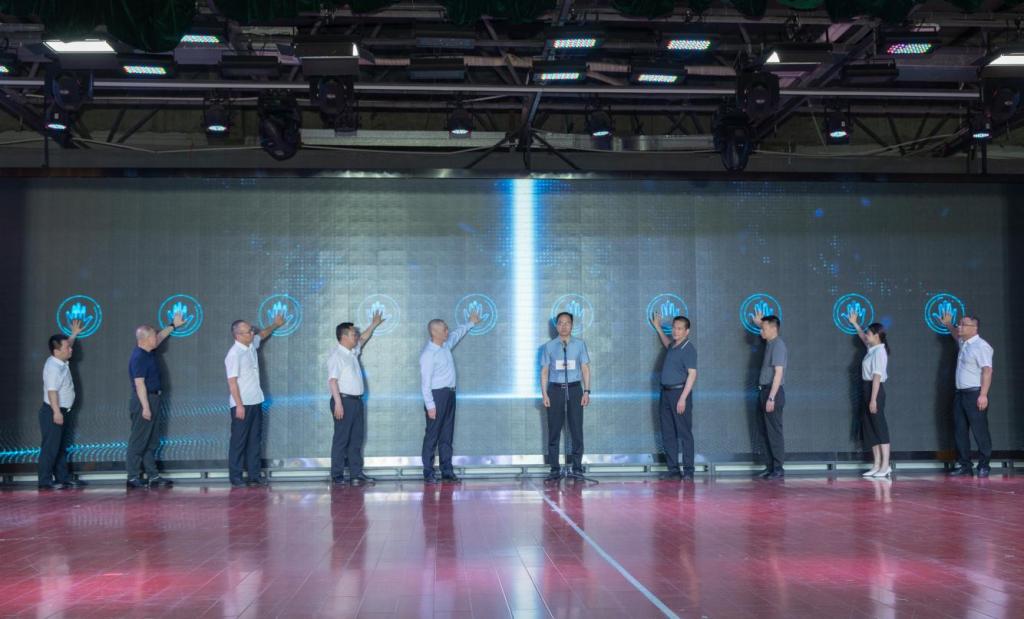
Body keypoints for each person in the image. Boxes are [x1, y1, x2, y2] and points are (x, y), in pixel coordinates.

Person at [224, 313, 287, 487]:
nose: (252, 333)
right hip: (241, 405)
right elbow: (232, 382)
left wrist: (275, 324)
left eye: (251, 330)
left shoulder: (251, 345)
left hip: (256, 401)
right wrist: (239, 405)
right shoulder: (234, 354)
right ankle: (236, 477)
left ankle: (254, 475)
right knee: (238, 442)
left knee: (254, 440)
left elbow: (263, 334)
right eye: (248, 332)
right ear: (237, 335)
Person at [419, 310, 480, 483]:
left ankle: (447, 470)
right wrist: (430, 405)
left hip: (450, 394)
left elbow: (456, 334)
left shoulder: (445, 345)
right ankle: (428, 472)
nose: (448, 331)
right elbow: (425, 383)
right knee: (432, 435)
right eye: (445, 329)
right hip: (437, 396)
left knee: (447, 434)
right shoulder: (428, 354)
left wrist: (471, 323)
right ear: (435, 332)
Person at [126, 312, 186, 489]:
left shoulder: (148, 351)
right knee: (138, 441)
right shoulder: (138, 357)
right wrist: (146, 407)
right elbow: (139, 384)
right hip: (144, 401)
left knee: (151, 441)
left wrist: (173, 326)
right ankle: (132, 477)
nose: (157, 338)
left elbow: (161, 337)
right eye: (153, 336)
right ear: (144, 339)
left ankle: (153, 475)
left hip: (154, 399)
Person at [326, 310, 384, 486]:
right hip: (343, 401)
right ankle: (337, 475)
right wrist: (338, 403)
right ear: (343, 337)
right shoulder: (337, 355)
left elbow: (364, 337)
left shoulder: (351, 352)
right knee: (341, 439)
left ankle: (356, 474)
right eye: (353, 334)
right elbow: (332, 381)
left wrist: (374, 324)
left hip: (357, 402)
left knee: (356, 439)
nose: (357, 336)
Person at [940, 312, 994, 477]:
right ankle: (965, 465)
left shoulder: (981, 346)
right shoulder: (964, 342)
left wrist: (983, 395)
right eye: (960, 324)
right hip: (960, 394)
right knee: (960, 431)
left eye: (963, 324)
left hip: (975, 394)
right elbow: (956, 335)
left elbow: (987, 370)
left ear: (974, 328)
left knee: (980, 430)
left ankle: (984, 465)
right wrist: (949, 324)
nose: (960, 327)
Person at [541, 312, 592, 482]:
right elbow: (544, 371)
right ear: (556, 326)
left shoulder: (580, 344)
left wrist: (587, 391)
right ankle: (554, 469)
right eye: (560, 323)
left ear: (572, 325)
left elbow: (585, 368)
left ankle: (577, 468)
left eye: (567, 323)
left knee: (576, 430)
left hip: (575, 389)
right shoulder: (549, 346)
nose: (564, 326)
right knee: (554, 431)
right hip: (555, 390)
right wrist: (544, 393)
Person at [649, 313, 698, 481]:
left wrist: (683, 398)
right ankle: (673, 469)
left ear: (687, 331)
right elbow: (666, 342)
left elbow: (692, 374)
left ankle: (689, 470)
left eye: (679, 329)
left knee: (684, 433)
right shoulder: (674, 346)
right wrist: (658, 327)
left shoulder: (688, 348)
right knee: (668, 432)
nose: (675, 331)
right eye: (674, 328)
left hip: (679, 394)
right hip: (665, 394)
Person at [38, 320, 86, 490]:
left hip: (62, 411)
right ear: (56, 351)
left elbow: (67, 344)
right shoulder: (53, 367)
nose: (71, 349)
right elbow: (52, 391)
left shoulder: (60, 360)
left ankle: (62, 478)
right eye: (67, 348)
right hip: (53, 411)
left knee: (60, 447)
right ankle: (44, 481)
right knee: (50, 448)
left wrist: (73, 334)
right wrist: (56, 412)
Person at [849, 311, 891, 478]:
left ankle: (886, 465)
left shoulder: (880, 352)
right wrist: (855, 323)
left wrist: (873, 399)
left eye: (868, 333)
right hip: (867, 389)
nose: (866, 335)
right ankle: (877, 464)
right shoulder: (872, 349)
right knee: (869, 427)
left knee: (879, 426)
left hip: (875, 390)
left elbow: (877, 377)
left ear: (876, 336)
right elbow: (862, 337)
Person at [752, 311, 787, 479]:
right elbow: (766, 327)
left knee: (774, 432)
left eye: (764, 328)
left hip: (773, 393)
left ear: (773, 329)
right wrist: (760, 323)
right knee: (765, 431)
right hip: (763, 391)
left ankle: (778, 468)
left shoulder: (778, 345)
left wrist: (771, 397)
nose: (761, 331)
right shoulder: (770, 342)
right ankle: (770, 467)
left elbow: (778, 373)